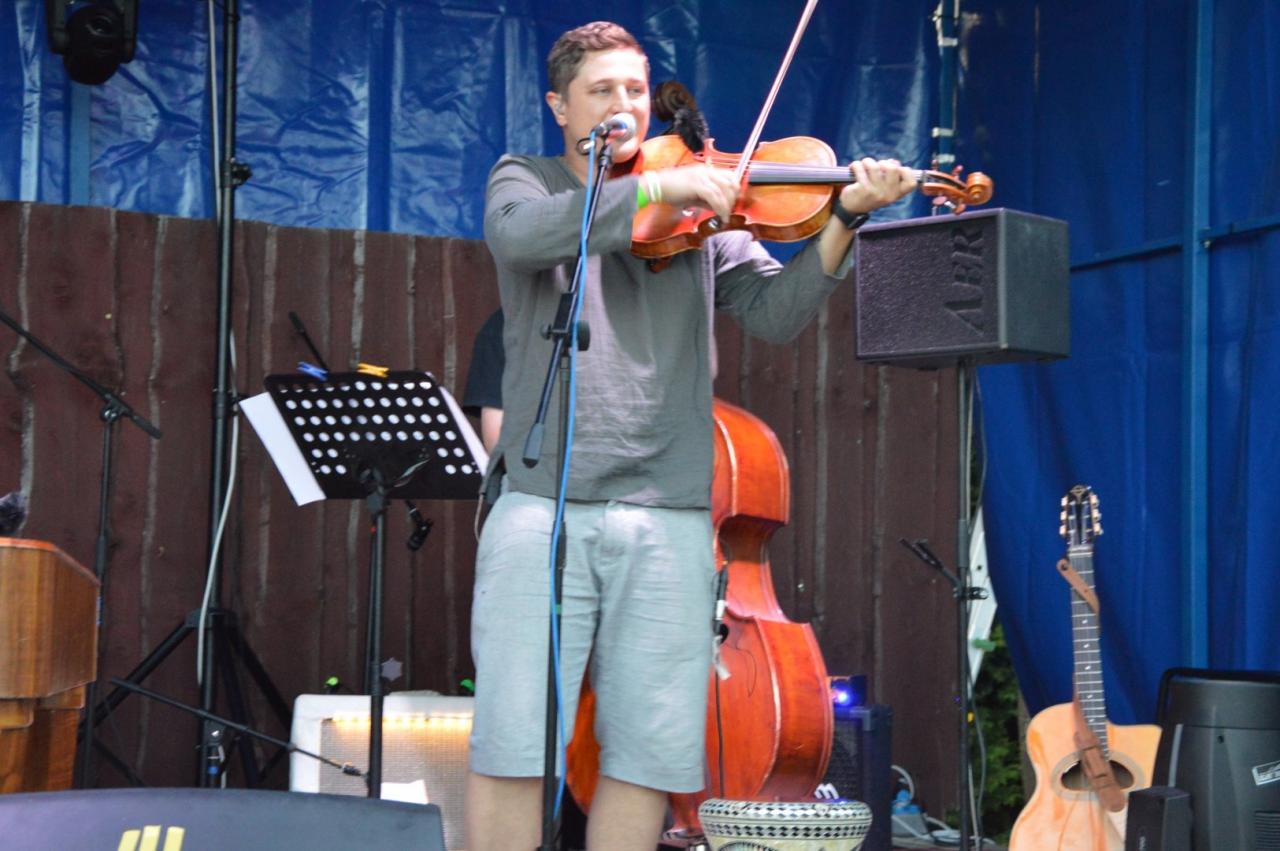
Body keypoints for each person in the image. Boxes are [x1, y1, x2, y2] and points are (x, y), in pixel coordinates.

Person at [466, 21, 916, 851]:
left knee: (647, 756)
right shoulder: (525, 178)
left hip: (669, 514)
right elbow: (518, 236)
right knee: (515, 745)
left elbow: (776, 315)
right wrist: (653, 193)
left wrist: (845, 219)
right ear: (560, 106)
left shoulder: (706, 201)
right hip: (541, 509)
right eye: (602, 90)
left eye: (635, 89)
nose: (624, 104)